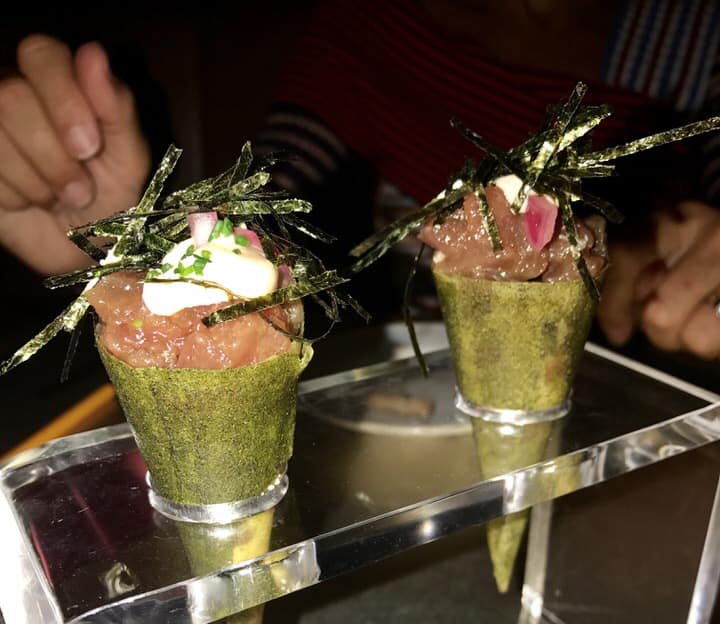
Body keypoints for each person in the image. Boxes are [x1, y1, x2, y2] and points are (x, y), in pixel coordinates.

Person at [1, 1, 720, 364]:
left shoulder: (690, 31)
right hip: (410, 363)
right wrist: (133, 236)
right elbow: (272, 187)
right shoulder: (370, 24)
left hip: (635, 373)